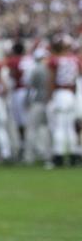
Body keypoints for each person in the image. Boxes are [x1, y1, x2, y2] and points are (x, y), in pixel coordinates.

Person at [46, 37, 82, 167]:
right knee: (71, 127)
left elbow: (51, 79)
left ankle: (59, 155)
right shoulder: (75, 60)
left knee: (59, 126)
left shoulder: (54, 61)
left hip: (60, 93)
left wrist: (50, 96)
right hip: (71, 94)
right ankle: (73, 155)